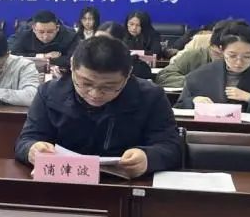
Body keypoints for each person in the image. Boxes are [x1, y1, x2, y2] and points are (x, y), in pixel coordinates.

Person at [15, 36, 181, 178]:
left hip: (123, 187)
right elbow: (26, 140)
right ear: (72, 66)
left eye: (109, 87)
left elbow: (171, 147)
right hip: (63, 183)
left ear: (128, 74)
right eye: (85, 83)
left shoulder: (151, 97)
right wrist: (32, 150)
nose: (95, 94)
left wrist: (148, 158)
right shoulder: (49, 93)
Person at [177, 21, 250, 114]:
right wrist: (194, 101)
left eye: (247, 56)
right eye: (232, 56)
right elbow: (179, 106)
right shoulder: (201, 75)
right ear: (222, 50)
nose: (239, 62)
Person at [154, 20, 236, 89]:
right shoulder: (195, 55)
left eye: (232, 55)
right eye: (216, 53)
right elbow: (163, 77)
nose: (221, 58)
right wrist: (197, 81)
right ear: (210, 45)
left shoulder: (242, 62)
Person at [10, 10, 78, 69]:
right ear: (34, 29)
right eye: (41, 32)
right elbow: (14, 55)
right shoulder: (24, 34)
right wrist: (43, 56)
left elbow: (75, 59)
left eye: (50, 32)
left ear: (57, 28)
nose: (45, 36)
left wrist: (45, 61)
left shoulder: (70, 36)